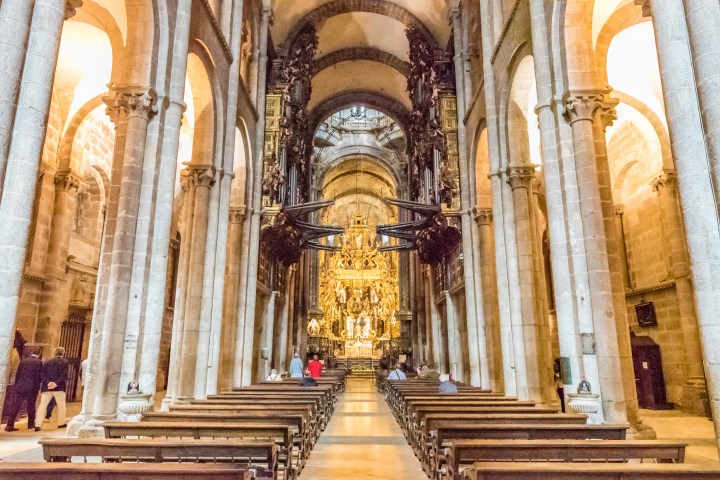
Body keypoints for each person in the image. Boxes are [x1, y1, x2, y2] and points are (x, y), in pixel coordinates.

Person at [4, 348, 42, 431]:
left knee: (15, 406)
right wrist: (37, 388)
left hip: (20, 386)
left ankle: (9, 425)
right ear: (39, 354)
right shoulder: (39, 362)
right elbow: (38, 377)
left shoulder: (23, 361)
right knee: (31, 406)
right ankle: (31, 424)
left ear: (32, 352)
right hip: (32, 388)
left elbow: (18, 374)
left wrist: (17, 385)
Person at [35, 347, 69, 431]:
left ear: (55, 353)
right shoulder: (65, 362)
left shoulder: (48, 362)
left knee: (42, 405)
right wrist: (56, 383)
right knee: (61, 406)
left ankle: (37, 424)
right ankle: (61, 423)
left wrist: (48, 382)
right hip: (59, 388)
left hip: (47, 387)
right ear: (63, 353)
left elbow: (43, 374)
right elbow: (64, 375)